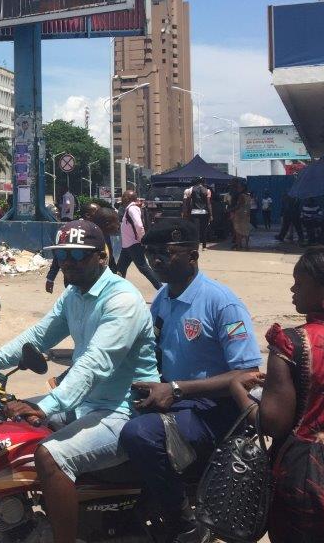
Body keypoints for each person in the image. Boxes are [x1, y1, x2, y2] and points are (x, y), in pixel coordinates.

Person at [0, 220, 158, 543]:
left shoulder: (122, 301)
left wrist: (46, 406)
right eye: (63, 254)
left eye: (77, 255)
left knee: (51, 456)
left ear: (101, 257)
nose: (67, 262)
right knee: (3, 429)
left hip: (123, 413)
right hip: (87, 406)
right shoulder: (74, 295)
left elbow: (95, 363)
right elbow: (37, 337)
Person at [120, 218, 262, 542]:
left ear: (192, 256)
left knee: (139, 434)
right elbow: (151, 353)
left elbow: (248, 374)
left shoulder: (221, 303)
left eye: (165, 253)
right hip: (176, 400)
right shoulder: (162, 300)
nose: (155, 261)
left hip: (215, 410)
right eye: (150, 253)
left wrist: (177, 388)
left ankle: (183, 524)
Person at [230, 246, 324, 542]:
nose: (292, 289)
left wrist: (238, 391)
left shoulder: (292, 343)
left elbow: (272, 424)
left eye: (300, 282)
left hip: (306, 477)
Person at [45, 205, 117, 293]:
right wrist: (50, 278)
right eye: (97, 212)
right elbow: (60, 255)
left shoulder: (102, 234)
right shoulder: (75, 232)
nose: (100, 213)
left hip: (99, 283)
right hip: (74, 282)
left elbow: (110, 258)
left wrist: (114, 277)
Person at [117, 190, 162, 290]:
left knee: (144, 268)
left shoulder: (132, 209)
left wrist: (143, 239)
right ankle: (115, 290)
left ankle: (161, 288)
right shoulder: (129, 208)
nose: (122, 198)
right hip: (127, 246)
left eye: (124, 196)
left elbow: (139, 225)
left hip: (134, 244)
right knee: (120, 268)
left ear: (129, 198)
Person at [183, 177, 213, 250]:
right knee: (204, 229)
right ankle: (204, 246)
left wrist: (186, 212)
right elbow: (208, 203)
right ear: (203, 182)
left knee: (195, 229)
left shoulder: (190, 190)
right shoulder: (207, 191)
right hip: (204, 212)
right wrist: (211, 214)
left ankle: (195, 246)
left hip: (194, 212)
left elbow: (187, 203)